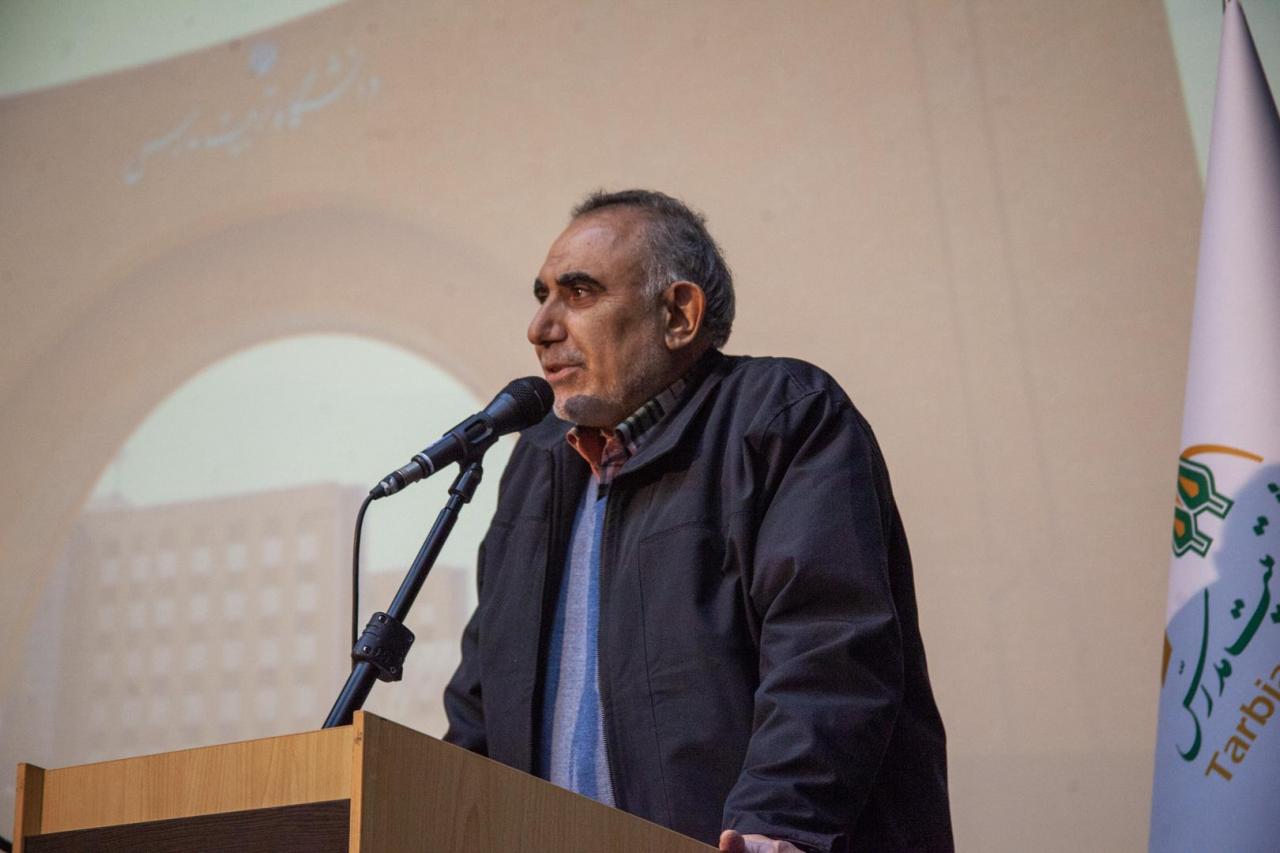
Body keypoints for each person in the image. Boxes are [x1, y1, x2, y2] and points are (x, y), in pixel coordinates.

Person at [443, 189, 952, 852]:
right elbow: (482, 702)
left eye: (579, 292)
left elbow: (830, 650)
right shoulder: (537, 462)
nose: (541, 327)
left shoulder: (782, 417)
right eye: (542, 297)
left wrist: (777, 823)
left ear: (679, 314)